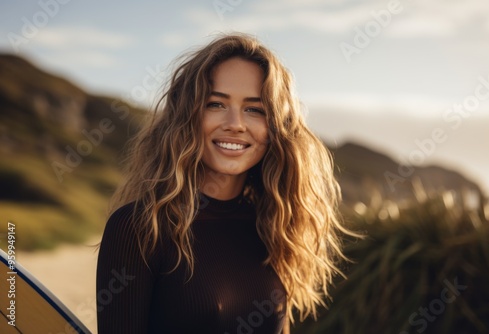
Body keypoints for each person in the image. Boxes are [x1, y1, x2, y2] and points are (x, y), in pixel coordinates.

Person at [96, 33, 351, 333]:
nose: (235, 123)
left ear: (276, 129)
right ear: (187, 116)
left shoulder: (277, 226)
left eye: (255, 109)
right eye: (216, 104)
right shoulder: (139, 228)